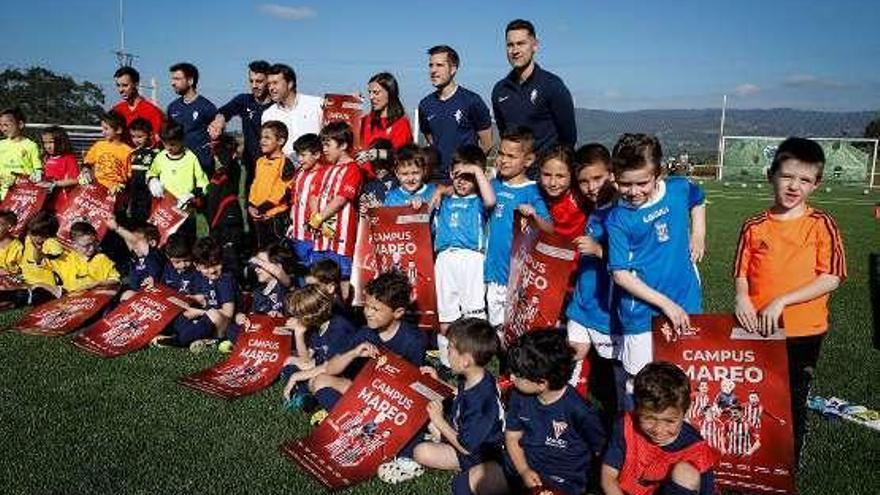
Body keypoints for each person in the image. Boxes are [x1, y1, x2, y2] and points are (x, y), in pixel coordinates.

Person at [732, 137, 846, 464]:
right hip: (756, 327)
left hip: (803, 331)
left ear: (816, 184)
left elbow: (831, 277)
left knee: (793, 397)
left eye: (805, 180)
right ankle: (751, 457)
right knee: (753, 394)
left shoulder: (821, 225)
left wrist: (782, 300)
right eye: (787, 176)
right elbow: (741, 272)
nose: (795, 186)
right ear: (771, 175)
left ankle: (786, 461)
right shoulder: (754, 226)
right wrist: (742, 298)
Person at [606, 133, 706, 379]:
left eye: (642, 183)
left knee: (681, 376)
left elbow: (698, 199)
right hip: (640, 313)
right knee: (640, 381)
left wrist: (698, 234)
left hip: (685, 298)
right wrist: (665, 305)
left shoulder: (678, 189)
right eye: (624, 184)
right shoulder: (617, 219)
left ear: (658, 174)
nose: (633, 191)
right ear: (614, 178)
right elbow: (620, 275)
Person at [379, 318, 503, 490]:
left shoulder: (481, 402)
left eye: (450, 349)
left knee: (421, 452)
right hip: (457, 428)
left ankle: (413, 463)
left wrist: (439, 421)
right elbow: (460, 394)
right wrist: (437, 383)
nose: (446, 352)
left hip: (475, 456)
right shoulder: (477, 376)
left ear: (466, 360)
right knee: (423, 405)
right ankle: (437, 438)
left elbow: (467, 448)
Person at [479, 330, 606, 495]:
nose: (511, 378)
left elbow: (601, 450)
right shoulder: (519, 395)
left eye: (518, 375)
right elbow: (512, 437)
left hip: (561, 481)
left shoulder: (580, 411)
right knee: (465, 484)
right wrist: (524, 470)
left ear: (541, 383)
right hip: (522, 466)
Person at [309, 271, 426, 412]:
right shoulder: (365, 333)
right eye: (367, 306)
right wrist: (353, 353)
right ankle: (351, 419)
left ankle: (349, 417)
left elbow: (413, 388)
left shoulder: (413, 340)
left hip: (390, 401)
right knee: (320, 380)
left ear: (398, 312)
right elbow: (330, 369)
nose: (368, 313)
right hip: (364, 392)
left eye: (375, 309)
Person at [601, 362, 718, 495]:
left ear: (685, 413)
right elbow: (608, 477)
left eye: (669, 421)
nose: (658, 430)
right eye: (649, 419)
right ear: (637, 409)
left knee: (686, 473)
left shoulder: (696, 448)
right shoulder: (625, 426)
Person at [484, 127, 552, 327]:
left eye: (511, 156)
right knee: (495, 330)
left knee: (514, 331)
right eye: (501, 154)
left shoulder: (533, 191)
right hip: (491, 273)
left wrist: (534, 215)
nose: (503, 160)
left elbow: (549, 229)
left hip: (516, 277)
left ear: (528, 160)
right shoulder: (494, 185)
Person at [566, 143, 616, 401]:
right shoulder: (594, 210)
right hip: (583, 301)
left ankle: (616, 423)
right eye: (584, 181)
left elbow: (634, 260)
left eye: (597, 178)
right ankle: (568, 407)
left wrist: (598, 250)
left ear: (611, 173)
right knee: (574, 354)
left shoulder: (621, 211)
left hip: (607, 308)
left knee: (613, 370)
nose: (592, 187)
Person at [492, 19, 576, 160]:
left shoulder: (552, 85)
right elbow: (504, 135)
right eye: (510, 45)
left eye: (521, 44)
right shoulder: (499, 91)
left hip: (545, 176)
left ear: (535, 45)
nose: (515, 50)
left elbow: (568, 138)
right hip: (515, 178)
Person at [433, 145, 495, 334]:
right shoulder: (443, 198)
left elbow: (491, 200)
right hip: (444, 259)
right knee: (445, 314)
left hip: (471, 259)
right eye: (458, 175)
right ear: (451, 173)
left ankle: (474, 357)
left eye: (468, 177)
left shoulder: (479, 201)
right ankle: (446, 359)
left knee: (473, 314)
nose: (462, 182)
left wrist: (476, 171)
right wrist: (440, 191)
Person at [418, 45, 492, 179]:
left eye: (439, 65)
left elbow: (487, 144)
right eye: (431, 65)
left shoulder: (472, 101)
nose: (433, 70)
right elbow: (432, 141)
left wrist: (469, 169)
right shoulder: (425, 105)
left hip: (465, 180)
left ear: (453, 69)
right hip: (437, 180)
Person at [280, 284, 358, 409]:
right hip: (323, 363)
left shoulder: (339, 329)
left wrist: (296, 377)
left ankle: (333, 409)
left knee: (317, 381)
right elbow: (306, 359)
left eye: (299, 315)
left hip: (345, 375)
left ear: (310, 315)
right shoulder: (318, 325)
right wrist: (299, 334)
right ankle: (304, 394)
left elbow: (329, 367)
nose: (296, 319)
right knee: (289, 361)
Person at [309, 121, 363, 300]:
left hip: (341, 238)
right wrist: (315, 216)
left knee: (342, 279)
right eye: (322, 144)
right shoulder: (325, 169)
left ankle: (346, 315)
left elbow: (341, 199)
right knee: (319, 277)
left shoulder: (353, 169)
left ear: (343, 145)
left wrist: (321, 217)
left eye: (327, 144)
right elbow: (314, 195)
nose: (324, 149)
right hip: (321, 237)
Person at [153, 237, 235, 349]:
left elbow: (228, 313)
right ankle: (197, 339)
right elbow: (207, 299)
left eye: (216, 264)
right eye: (206, 267)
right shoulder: (203, 278)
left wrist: (198, 311)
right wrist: (197, 299)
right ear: (197, 266)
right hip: (206, 318)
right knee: (181, 316)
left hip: (223, 323)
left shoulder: (225, 280)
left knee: (212, 314)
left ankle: (180, 341)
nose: (212, 270)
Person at [208, 60, 274, 189]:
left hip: (273, 165)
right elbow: (225, 111)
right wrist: (219, 122)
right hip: (250, 164)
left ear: (268, 81)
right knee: (249, 204)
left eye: (259, 81)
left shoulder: (276, 106)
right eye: (251, 81)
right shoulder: (244, 100)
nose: (254, 85)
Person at [220, 243, 293, 352]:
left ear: (278, 266)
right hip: (263, 332)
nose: (256, 269)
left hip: (282, 332)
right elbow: (254, 316)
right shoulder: (258, 292)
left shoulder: (284, 285)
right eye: (256, 266)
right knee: (232, 329)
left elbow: (279, 273)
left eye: (262, 265)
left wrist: (256, 260)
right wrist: (244, 319)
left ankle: (246, 346)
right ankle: (250, 346)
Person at [146, 123, 209, 242]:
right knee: (163, 241)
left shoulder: (191, 158)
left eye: (173, 144)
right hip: (165, 209)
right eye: (165, 144)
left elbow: (203, 183)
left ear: (182, 140)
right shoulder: (161, 157)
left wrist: (193, 195)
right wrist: (152, 180)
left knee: (186, 241)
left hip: (185, 211)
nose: (168, 148)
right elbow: (151, 172)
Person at [0, 212, 63, 307]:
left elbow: (43, 257)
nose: (38, 238)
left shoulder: (50, 244)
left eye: (43, 235)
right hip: (25, 283)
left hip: (43, 287)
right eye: (34, 233)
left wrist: (39, 249)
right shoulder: (28, 239)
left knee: (24, 296)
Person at [260, 63, 322, 159]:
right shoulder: (268, 115)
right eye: (269, 84)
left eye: (275, 83)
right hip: (285, 170)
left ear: (290, 84)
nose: (271, 88)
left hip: (317, 170)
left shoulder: (317, 104)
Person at [249, 121, 295, 249]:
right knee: (262, 251)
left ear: (280, 141)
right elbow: (255, 184)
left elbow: (282, 191)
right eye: (261, 137)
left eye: (267, 138)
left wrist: (263, 207)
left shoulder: (285, 163)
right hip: (259, 216)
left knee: (276, 254)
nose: (262, 141)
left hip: (276, 218)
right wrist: (251, 204)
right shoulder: (260, 161)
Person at [287, 133, 327, 278]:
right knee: (300, 273)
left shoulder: (325, 174)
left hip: (314, 237)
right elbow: (295, 200)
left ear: (316, 154)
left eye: (303, 155)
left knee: (315, 275)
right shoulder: (299, 173)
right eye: (298, 155)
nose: (299, 159)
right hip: (297, 235)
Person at [356, 73, 413, 175]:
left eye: (376, 93)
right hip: (362, 179)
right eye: (369, 93)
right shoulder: (365, 120)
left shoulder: (400, 123)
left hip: (387, 182)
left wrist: (378, 154)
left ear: (390, 93)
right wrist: (348, 103)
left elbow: (403, 155)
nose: (371, 97)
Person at [167, 62, 217, 174]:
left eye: (177, 79)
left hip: (202, 166)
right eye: (172, 79)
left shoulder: (207, 107)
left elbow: (217, 138)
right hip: (178, 165)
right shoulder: (172, 107)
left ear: (190, 81)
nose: (172, 83)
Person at [50, 222, 120, 293]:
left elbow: (115, 279)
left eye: (94, 243)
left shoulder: (102, 258)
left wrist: (98, 284)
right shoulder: (65, 258)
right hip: (73, 298)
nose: (91, 248)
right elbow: (42, 263)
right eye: (86, 246)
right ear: (74, 245)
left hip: (97, 294)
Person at [106, 218, 164, 301]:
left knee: (128, 295)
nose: (133, 245)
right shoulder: (135, 257)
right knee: (125, 295)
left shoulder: (154, 255)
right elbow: (129, 240)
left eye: (134, 242)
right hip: (137, 292)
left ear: (152, 243)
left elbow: (135, 241)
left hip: (153, 295)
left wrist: (117, 228)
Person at [538, 144, 586, 239]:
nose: (552, 183)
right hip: (541, 250)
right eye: (547, 175)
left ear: (572, 174)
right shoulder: (534, 194)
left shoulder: (581, 196)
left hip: (574, 250)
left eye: (560, 176)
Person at [82, 110, 132, 193]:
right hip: (96, 189)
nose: (103, 132)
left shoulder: (128, 151)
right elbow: (87, 163)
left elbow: (129, 176)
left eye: (106, 129)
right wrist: (85, 172)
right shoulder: (99, 145)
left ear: (119, 130)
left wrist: (122, 187)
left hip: (115, 192)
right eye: (102, 128)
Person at [113, 66, 164, 144]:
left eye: (125, 85)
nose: (121, 90)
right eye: (118, 85)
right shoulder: (116, 110)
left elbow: (157, 141)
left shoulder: (152, 111)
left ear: (136, 84)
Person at [0, 107, 41, 198]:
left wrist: (34, 179)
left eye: (6, 125)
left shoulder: (31, 145)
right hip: (3, 195)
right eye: (1, 125)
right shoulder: (1, 144)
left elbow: (37, 170)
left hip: (22, 196)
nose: (3, 129)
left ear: (20, 124)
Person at [38, 125, 80, 212]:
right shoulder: (46, 158)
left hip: (62, 203)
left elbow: (76, 180)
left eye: (51, 142)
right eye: (45, 142)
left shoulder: (69, 158)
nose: (47, 146)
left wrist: (55, 184)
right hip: (45, 201)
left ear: (60, 141)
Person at [126, 118, 158, 224]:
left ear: (149, 135)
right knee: (133, 217)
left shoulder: (155, 152)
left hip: (148, 192)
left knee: (147, 216)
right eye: (133, 136)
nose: (136, 140)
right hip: (134, 191)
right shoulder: (132, 153)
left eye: (140, 137)